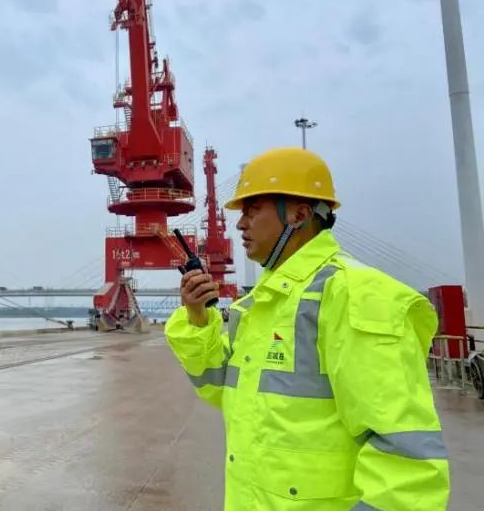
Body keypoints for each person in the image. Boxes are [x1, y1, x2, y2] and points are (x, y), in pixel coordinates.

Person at [164, 147, 450, 510]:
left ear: (299, 215)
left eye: (253, 209)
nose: (240, 224)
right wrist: (197, 319)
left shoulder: (352, 296)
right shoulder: (261, 306)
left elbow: (407, 465)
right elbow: (219, 386)